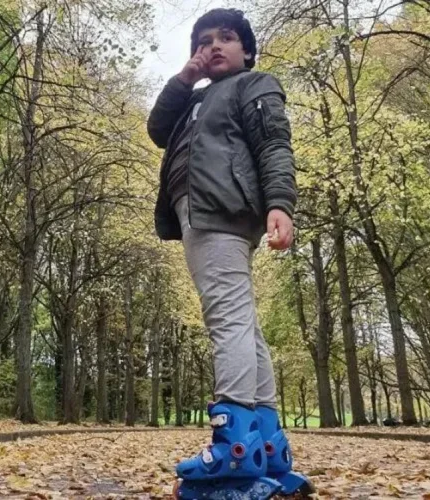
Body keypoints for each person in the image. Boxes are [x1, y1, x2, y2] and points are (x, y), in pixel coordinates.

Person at [146, 8, 310, 498]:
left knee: (226, 318)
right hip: (198, 210)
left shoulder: (253, 84)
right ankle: (265, 442)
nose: (214, 45)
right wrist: (185, 77)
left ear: (247, 50)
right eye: (204, 40)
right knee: (243, 321)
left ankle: (234, 446)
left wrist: (280, 203)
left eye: (226, 38)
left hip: (220, 209)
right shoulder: (195, 98)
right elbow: (158, 129)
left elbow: (275, 145)